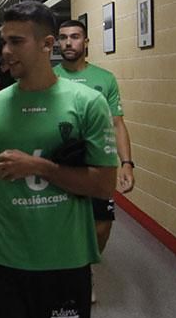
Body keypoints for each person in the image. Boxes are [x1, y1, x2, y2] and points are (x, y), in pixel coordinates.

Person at [0, 1, 118, 318]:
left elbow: (104, 183)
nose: (5, 51)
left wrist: (41, 168)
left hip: (64, 257)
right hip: (8, 258)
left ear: (47, 44)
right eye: (4, 42)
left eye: (16, 41)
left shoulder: (87, 102)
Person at [54, 19, 134, 302]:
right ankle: (67, 270)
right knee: (61, 222)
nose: (68, 43)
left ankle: (85, 266)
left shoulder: (104, 79)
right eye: (63, 38)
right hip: (61, 164)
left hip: (98, 164)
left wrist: (126, 163)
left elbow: (117, 123)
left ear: (85, 42)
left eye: (75, 37)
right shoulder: (49, 78)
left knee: (102, 225)